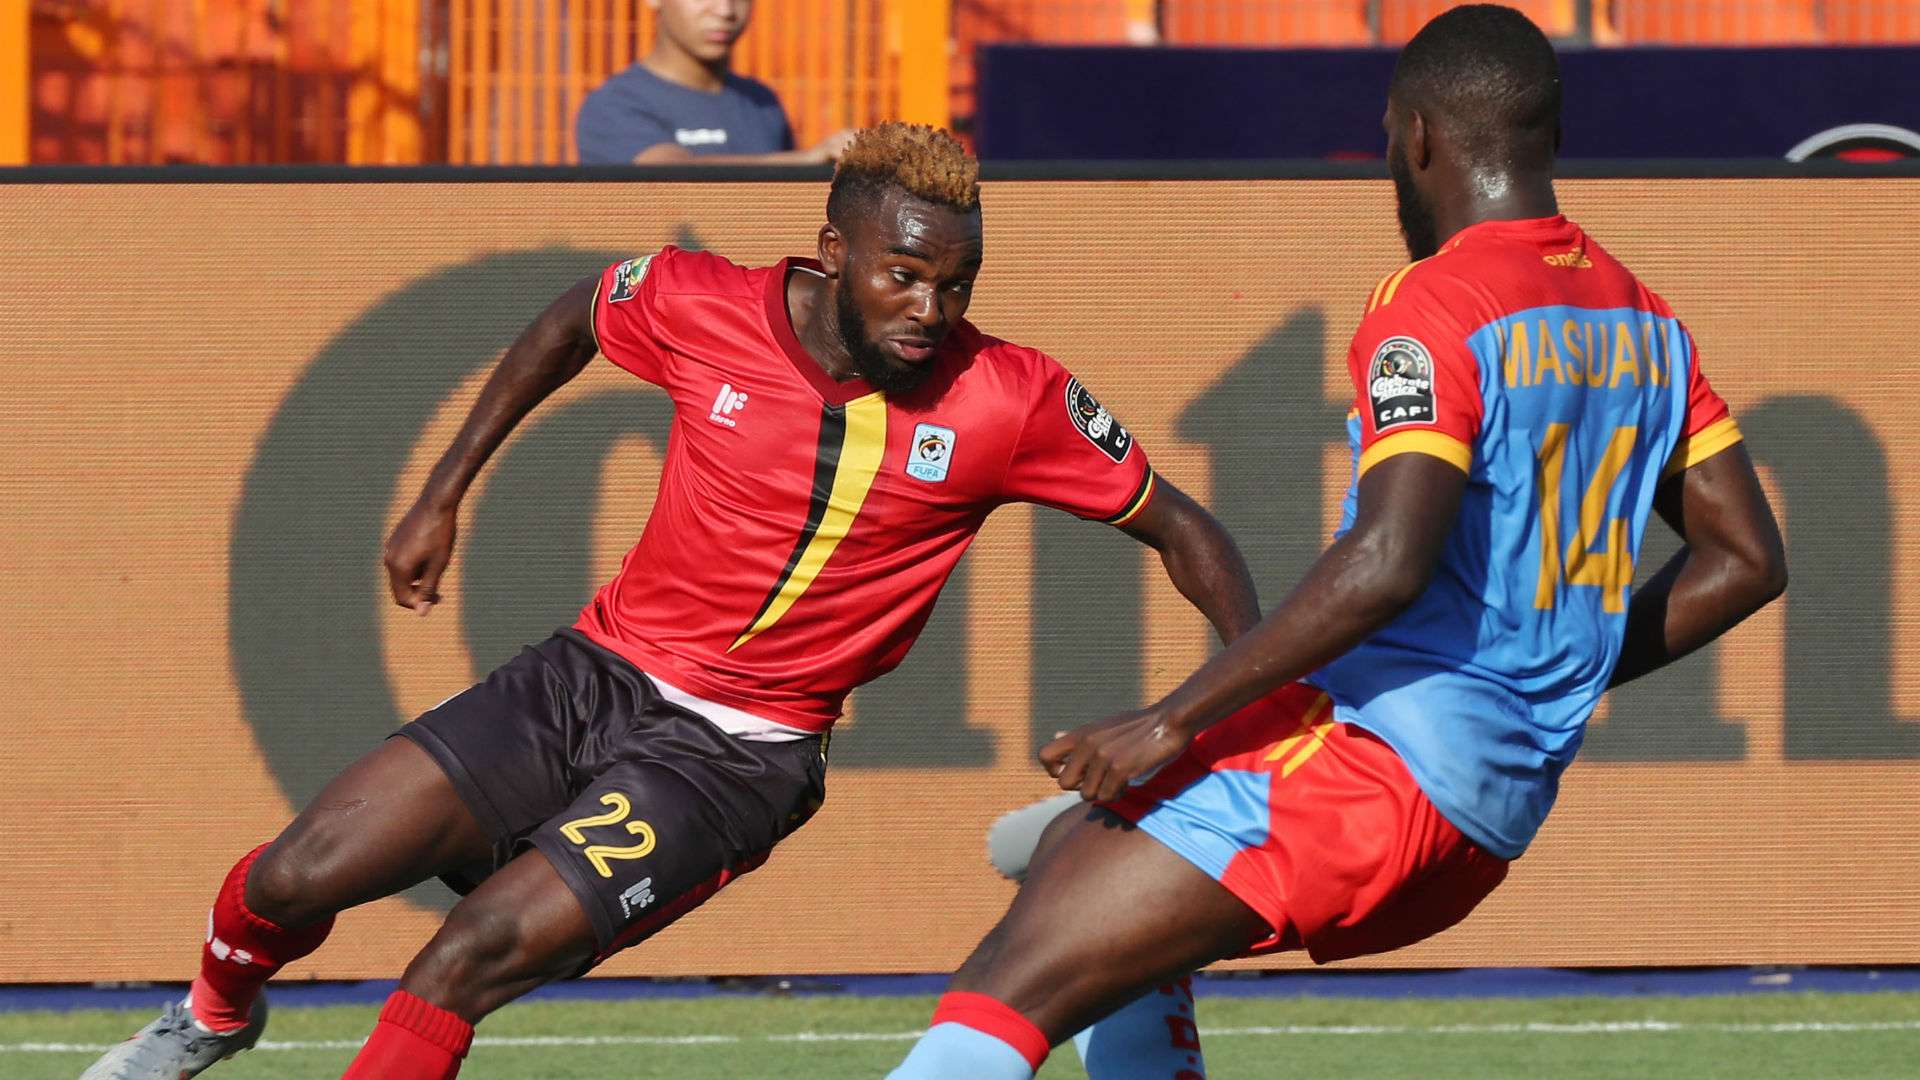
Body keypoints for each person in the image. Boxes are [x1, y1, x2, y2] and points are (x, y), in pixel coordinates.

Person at [78, 123, 1259, 1080]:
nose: (930, 311)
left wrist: (1252, 686)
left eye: (957, 285)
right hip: (589, 676)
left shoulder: (1011, 399)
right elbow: (576, 317)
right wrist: (443, 491)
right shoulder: (703, 302)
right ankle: (212, 1017)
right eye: (904, 275)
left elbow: (1186, 528)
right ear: (833, 251)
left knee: (465, 956)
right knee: (299, 871)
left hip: (736, 760)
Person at [889, 7, 1789, 1077]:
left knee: (1008, 986)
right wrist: (1557, 667)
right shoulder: (1645, 320)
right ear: (1551, 139)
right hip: (1485, 809)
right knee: (1077, 878)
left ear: (1415, 137)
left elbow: (1386, 562)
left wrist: (1170, 721)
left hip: (1380, 769)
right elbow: (1747, 561)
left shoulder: (1434, 305)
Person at [575, 0, 854, 165]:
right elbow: (669, 174)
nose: (725, 10)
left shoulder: (762, 102)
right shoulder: (615, 104)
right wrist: (803, 161)